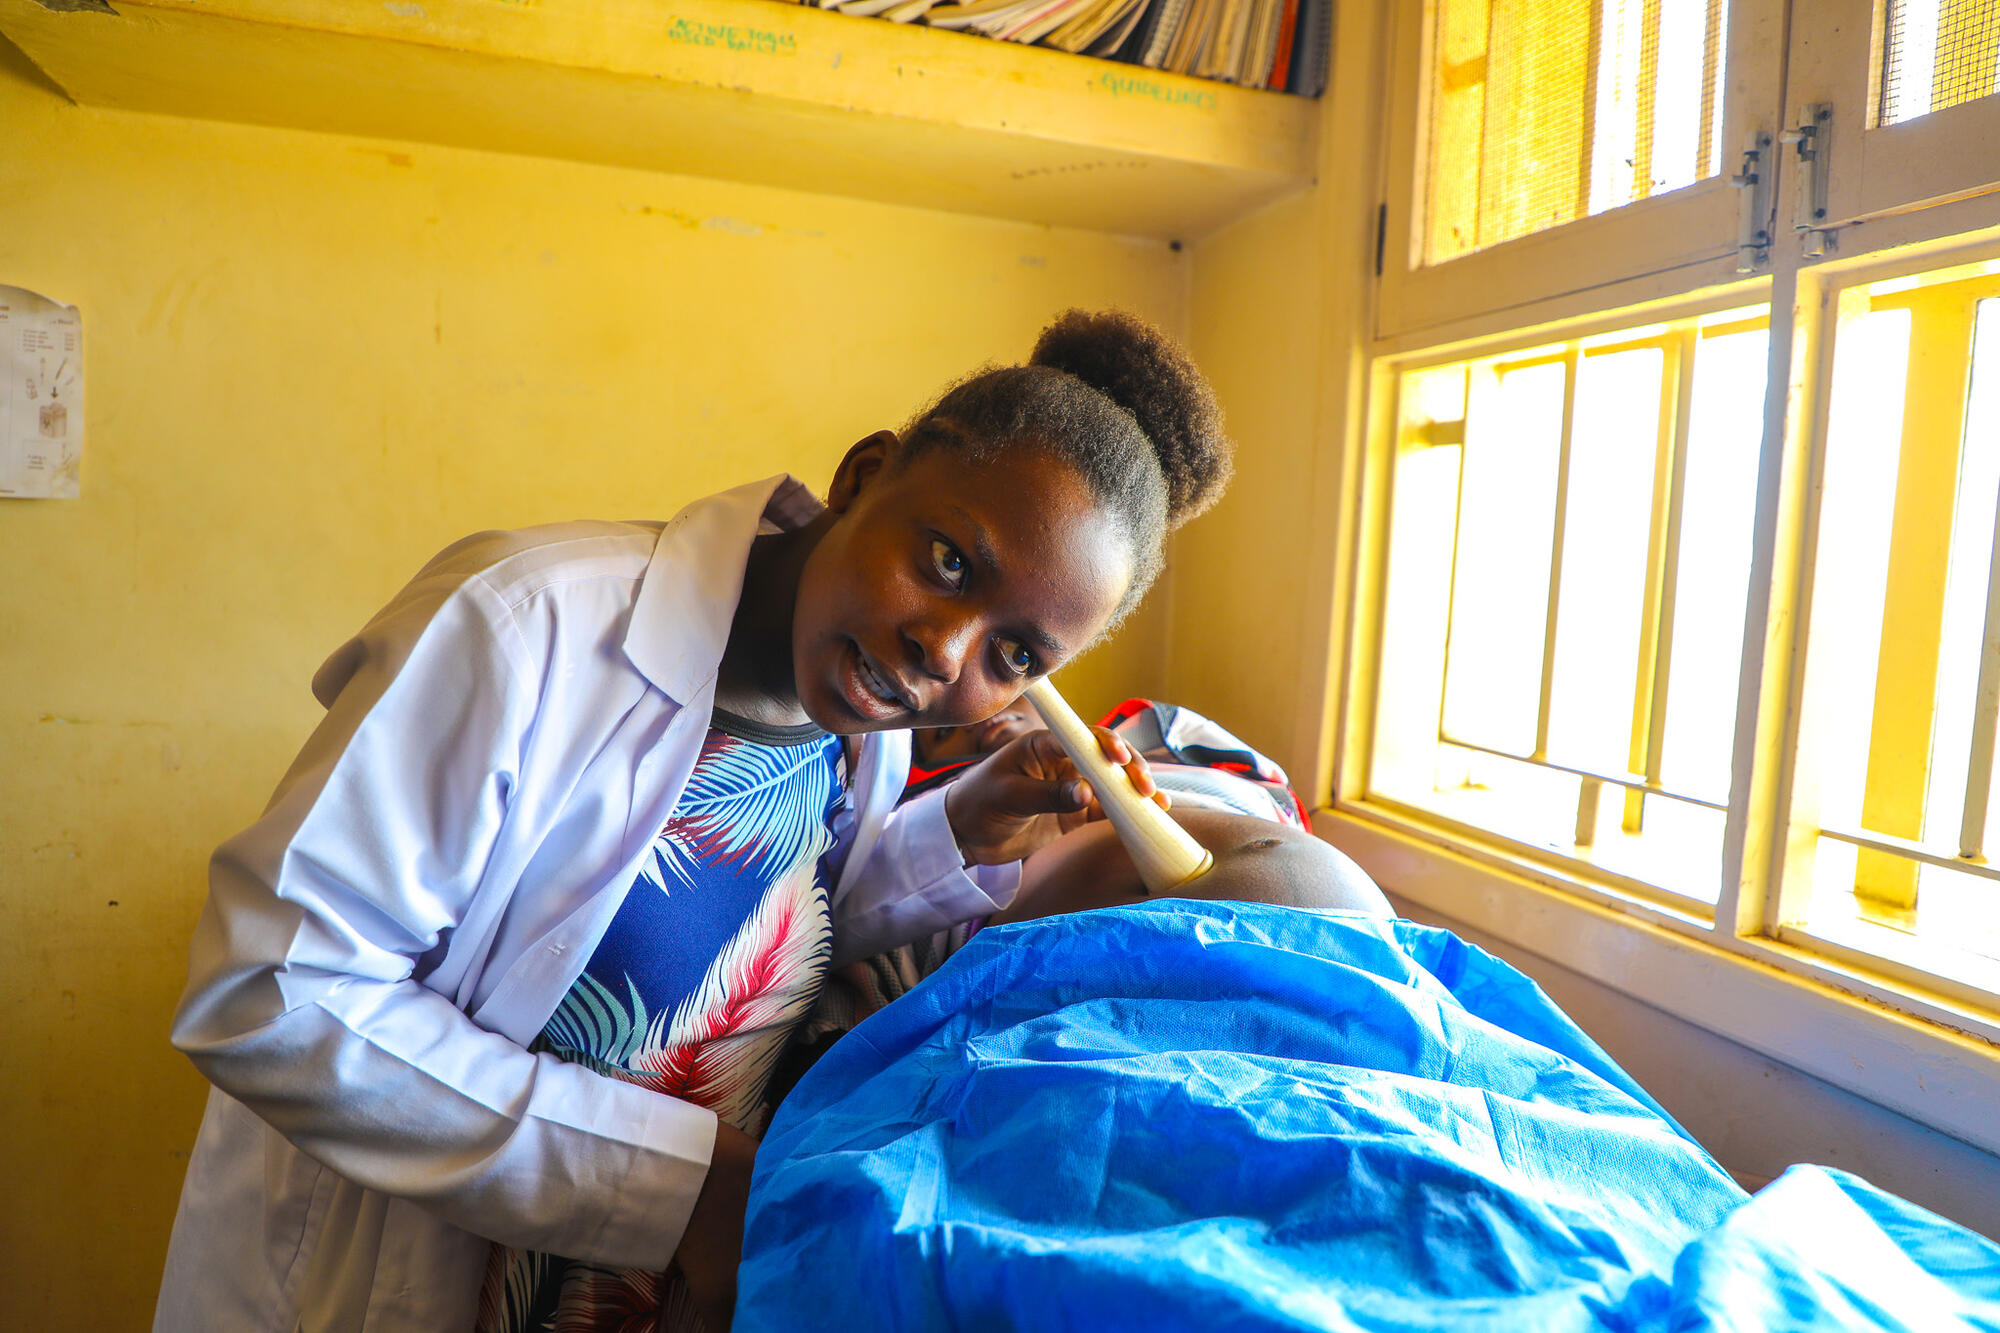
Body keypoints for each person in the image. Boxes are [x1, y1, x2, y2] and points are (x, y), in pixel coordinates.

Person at [152, 309, 1233, 1333]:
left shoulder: (858, 708)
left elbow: (751, 934)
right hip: (415, 1282)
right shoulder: (522, 626)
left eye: (1014, 654)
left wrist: (956, 829)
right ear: (863, 474)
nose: (943, 651)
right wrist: (682, 1187)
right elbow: (273, 992)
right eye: (948, 561)